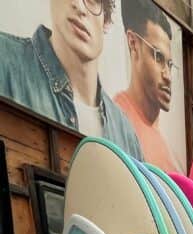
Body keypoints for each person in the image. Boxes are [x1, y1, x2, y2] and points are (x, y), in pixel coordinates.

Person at [0, 0, 141, 158]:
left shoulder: (126, 136)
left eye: (93, 0)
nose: (79, 6)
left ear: (106, 20)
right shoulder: (4, 61)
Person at [114, 0, 182, 171]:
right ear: (133, 44)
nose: (167, 76)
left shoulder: (168, 149)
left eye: (170, 64)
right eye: (158, 57)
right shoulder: (116, 124)